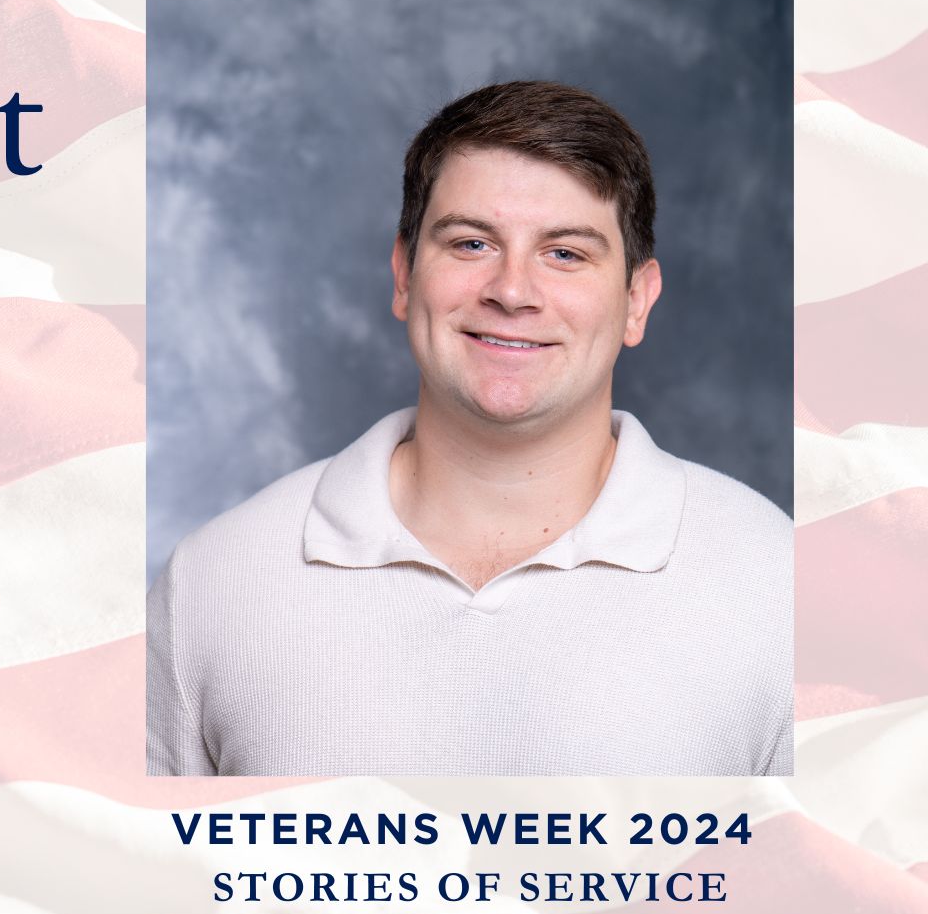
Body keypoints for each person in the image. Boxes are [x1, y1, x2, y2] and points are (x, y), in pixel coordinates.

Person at [146, 81, 792, 777]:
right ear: (403, 275)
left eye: (565, 253)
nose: (511, 291)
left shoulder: (778, 582)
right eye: (472, 243)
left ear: (636, 301)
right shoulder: (215, 580)